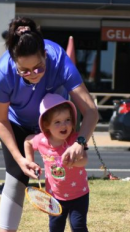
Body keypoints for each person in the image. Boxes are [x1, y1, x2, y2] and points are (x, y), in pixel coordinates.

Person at [0, 17, 98, 232]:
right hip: (17, 123)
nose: (33, 75)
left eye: (39, 68)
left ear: (45, 56)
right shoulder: (3, 72)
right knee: (15, 179)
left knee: (67, 171)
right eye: (25, 71)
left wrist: (80, 142)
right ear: (14, 62)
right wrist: (20, 159)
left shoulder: (58, 59)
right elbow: (0, 120)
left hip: (55, 123)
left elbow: (91, 111)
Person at [24, 93, 89, 232]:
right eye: (57, 122)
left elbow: (84, 160)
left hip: (79, 194)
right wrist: (30, 161)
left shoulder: (75, 140)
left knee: (78, 227)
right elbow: (28, 141)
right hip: (54, 196)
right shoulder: (42, 140)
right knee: (55, 228)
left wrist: (74, 162)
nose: (64, 125)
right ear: (46, 125)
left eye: (67, 119)